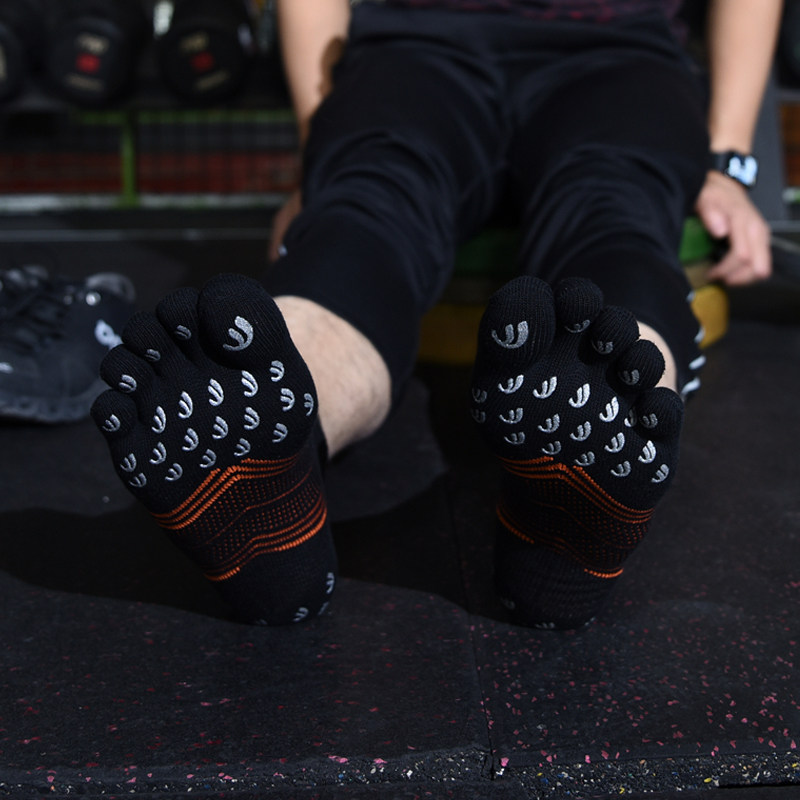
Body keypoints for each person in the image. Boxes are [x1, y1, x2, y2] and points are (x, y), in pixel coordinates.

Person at [91, 0, 780, 629]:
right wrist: (319, 162)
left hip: (617, 56)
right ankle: (263, 466)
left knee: (414, 213)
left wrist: (727, 162)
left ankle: (594, 446)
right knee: (379, 208)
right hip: (414, 48)